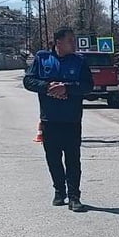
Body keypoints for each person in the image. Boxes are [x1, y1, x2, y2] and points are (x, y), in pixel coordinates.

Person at [23, 26, 94, 212]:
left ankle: (74, 197)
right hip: (49, 119)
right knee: (53, 159)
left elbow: (88, 86)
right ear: (58, 42)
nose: (74, 43)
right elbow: (28, 81)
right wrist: (48, 87)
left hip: (72, 119)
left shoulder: (79, 61)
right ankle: (59, 191)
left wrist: (67, 88)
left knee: (73, 160)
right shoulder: (42, 58)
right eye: (70, 40)